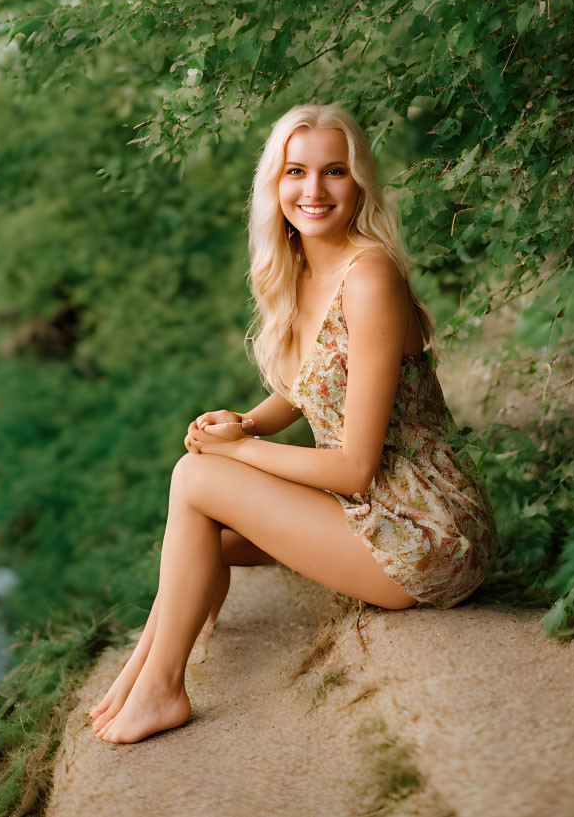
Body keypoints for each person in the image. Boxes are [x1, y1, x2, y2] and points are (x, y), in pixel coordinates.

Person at [90, 102, 498, 744]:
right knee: (203, 541)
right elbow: (307, 391)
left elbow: (354, 467)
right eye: (296, 172)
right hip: (366, 511)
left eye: (334, 171)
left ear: (359, 180)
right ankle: (140, 674)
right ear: (274, 184)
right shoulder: (302, 268)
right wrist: (246, 420)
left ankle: (163, 691)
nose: (314, 190)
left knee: (195, 479)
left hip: (424, 531)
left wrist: (238, 450)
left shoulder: (369, 278)